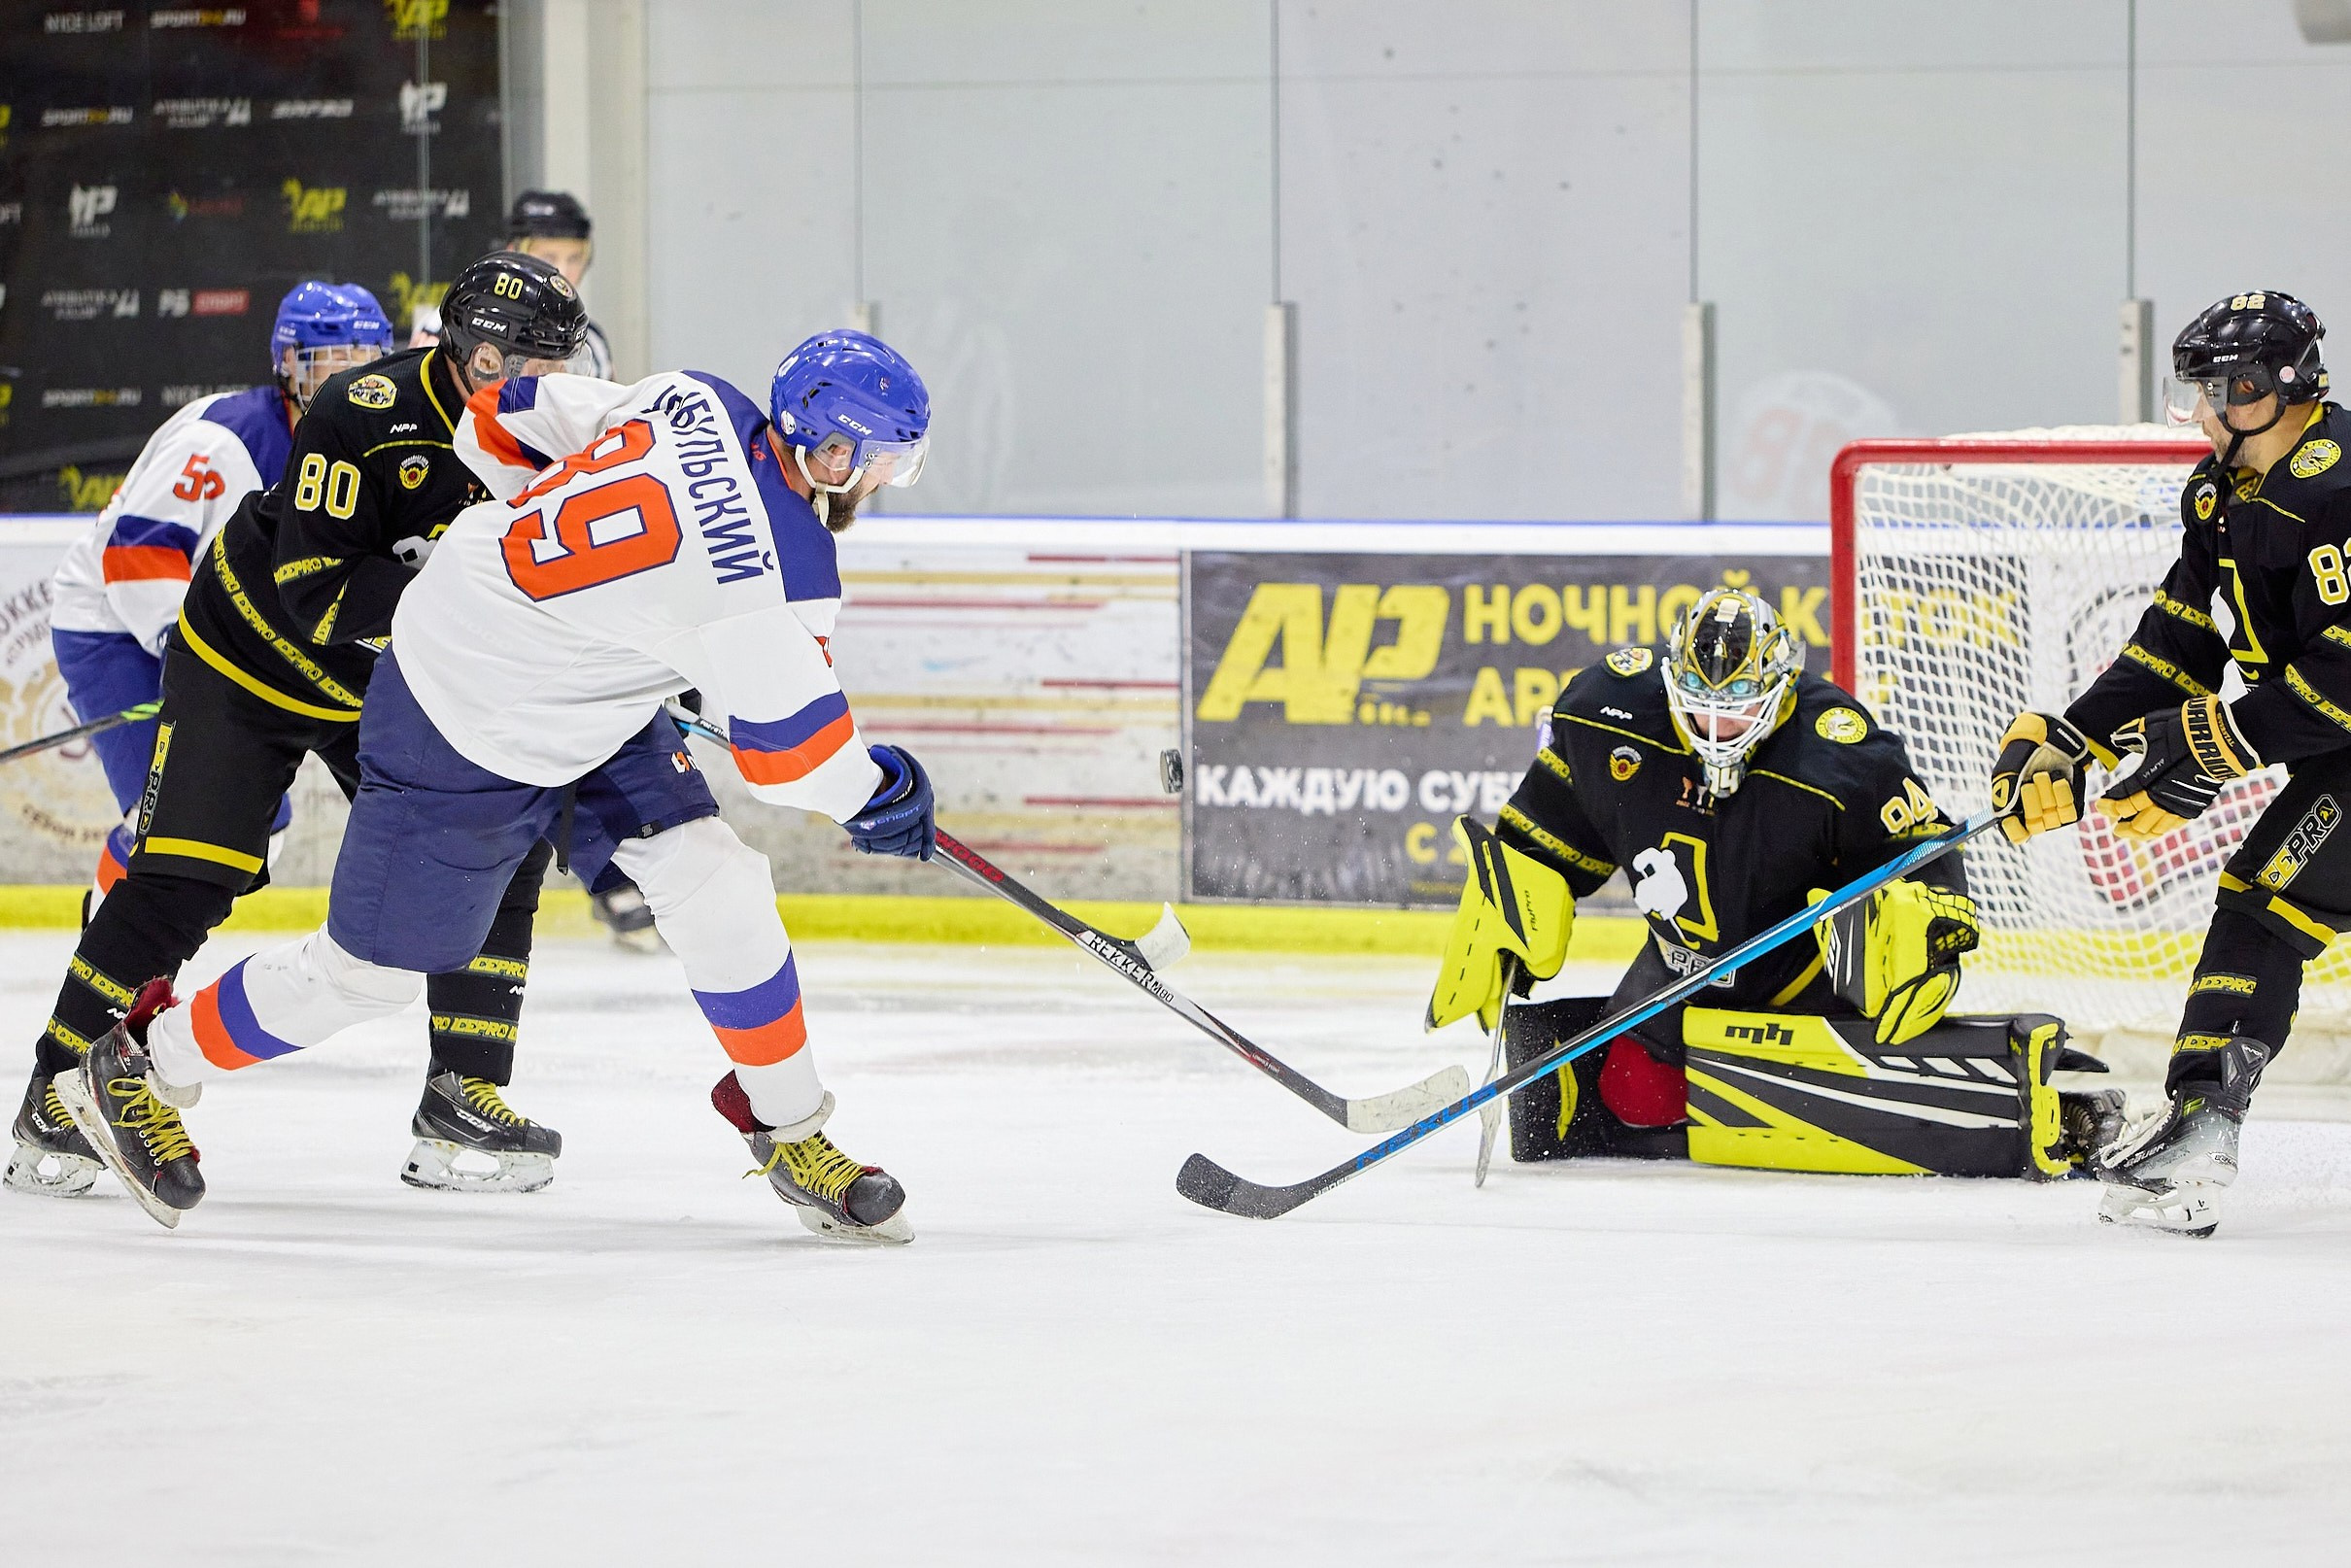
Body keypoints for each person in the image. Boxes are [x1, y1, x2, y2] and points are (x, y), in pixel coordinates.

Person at [58, 330, 935, 1244]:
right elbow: (791, 760)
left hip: (569, 688)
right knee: (369, 974)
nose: (877, 481)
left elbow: (506, 412)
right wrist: (884, 795)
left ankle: (791, 1127)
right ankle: (140, 1062)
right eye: (879, 462)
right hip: (457, 710)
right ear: (831, 451)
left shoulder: (695, 395)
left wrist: (578, 601)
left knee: (716, 876)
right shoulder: (777, 576)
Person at [22, 253, 588, 1213]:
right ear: (469, 351)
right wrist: (469, 605)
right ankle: (57, 1093)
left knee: (495, 836)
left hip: (375, 677)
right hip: (250, 658)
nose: (537, 386)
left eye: (552, 364)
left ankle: (460, 1094)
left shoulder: (555, 435)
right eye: (519, 363)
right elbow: (317, 593)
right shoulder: (362, 414)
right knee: (190, 874)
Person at [1432, 589, 2114, 1179]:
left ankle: (2055, 1097)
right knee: (1632, 1095)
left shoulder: (1838, 752)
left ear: (1780, 688)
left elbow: (1921, 849)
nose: (1716, 730)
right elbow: (1558, 813)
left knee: (1849, 1105)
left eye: (1736, 711)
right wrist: (1516, 894)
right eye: (1699, 710)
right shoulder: (1610, 713)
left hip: (1803, 972)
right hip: (1680, 965)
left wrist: (1923, 931)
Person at [8, 284, 392, 1198]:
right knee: (183, 842)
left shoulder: (366, 448)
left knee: (252, 832)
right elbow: (138, 558)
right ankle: (98, 1016)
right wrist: (192, 664)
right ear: (286, 364)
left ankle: (117, 961)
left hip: (236, 640)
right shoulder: (223, 438)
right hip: (124, 629)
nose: (341, 382)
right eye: (323, 365)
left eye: (358, 365)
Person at [1993, 289, 2351, 1236]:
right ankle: (2197, 1127)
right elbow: (2176, 641)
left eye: (2210, 391)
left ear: (2264, 390)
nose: (2195, 411)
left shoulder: (2340, 492)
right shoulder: (2221, 494)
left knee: (2264, 905)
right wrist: (2070, 738)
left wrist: (2216, 743)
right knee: (2263, 902)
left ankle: (2199, 1125)